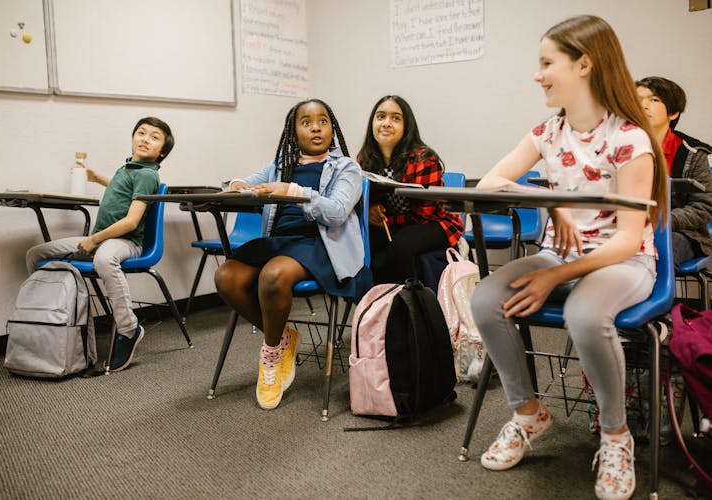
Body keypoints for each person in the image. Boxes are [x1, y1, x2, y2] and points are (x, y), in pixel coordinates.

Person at [468, 16, 667, 500]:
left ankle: (616, 436)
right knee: (485, 297)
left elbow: (626, 241)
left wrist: (554, 275)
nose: (537, 75)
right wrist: (551, 201)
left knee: (583, 314)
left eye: (546, 63)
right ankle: (528, 414)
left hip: (625, 262)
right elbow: (492, 182)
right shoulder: (546, 132)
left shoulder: (630, 140)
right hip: (561, 252)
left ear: (584, 64)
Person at [214, 99, 372, 410]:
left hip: (322, 245)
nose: (316, 127)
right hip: (280, 243)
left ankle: (271, 353)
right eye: (306, 122)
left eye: (323, 121)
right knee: (226, 276)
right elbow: (240, 186)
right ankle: (284, 337)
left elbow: (338, 212)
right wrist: (238, 186)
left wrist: (294, 192)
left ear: (331, 128)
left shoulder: (346, 167)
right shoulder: (280, 164)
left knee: (273, 275)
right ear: (293, 130)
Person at [26, 116, 174, 372]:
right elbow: (124, 188)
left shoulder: (148, 174)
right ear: (132, 138)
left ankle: (129, 329)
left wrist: (94, 239)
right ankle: (52, 316)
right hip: (103, 238)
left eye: (154, 137)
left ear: (162, 152)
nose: (145, 139)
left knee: (104, 259)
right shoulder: (128, 167)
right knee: (36, 253)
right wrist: (98, 179)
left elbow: (130, 222)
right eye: (141, 132)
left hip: (126, 242)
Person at [356, 95, 463, 284]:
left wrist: (386, 219)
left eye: (396, 118)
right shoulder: (364, 160)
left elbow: (425, 214)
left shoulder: (423, 158)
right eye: (380, 117)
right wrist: (370, 209)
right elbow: (361, 199)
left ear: (407, 126)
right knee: (358, 240)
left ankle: (400, 305)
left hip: (434, 223)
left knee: (402, 243)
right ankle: (370, 302)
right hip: (392, 223)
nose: (387, 123)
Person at [635, 76, 712, 269]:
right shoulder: (621, 147)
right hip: (630, 228)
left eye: (654, 100)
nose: (643, 106)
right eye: (638, 99)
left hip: (681, 233)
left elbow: (704, 207)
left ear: (673, 112)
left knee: (652, 253)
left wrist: (658, 221)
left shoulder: (693, 153)